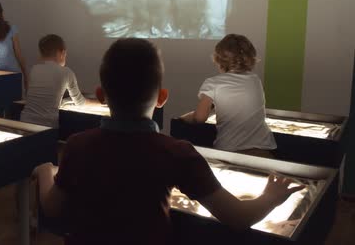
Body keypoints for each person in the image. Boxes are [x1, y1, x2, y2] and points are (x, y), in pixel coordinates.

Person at [33, 38, 303, 244]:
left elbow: (52, 207)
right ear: (162, 98)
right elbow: (238, 217)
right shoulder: (177, 152)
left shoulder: (78, 146)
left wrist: (45, 171)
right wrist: (271, 198)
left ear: (101, 95)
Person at [180, 34, 277, 157]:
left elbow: (200, 118)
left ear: (218, 60)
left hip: (229, 151)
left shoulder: (213, 83)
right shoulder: (255, 80)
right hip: (262, 151)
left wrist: (182, 119)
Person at [20, 34, 97, 128]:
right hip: (46, 126)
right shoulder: (66, 72)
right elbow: (80, 102)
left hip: (24, 121)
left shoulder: (34, 69)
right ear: (62, 53)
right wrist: (102, 102)